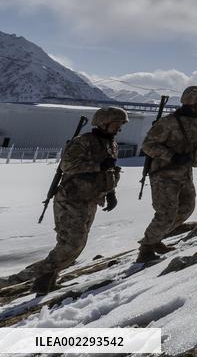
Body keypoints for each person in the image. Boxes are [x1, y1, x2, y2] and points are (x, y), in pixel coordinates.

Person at [0, 107, 128, 295]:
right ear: (104, 122)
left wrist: (111, 193)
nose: (119, 128)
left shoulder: (111, 143)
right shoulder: (83, 141)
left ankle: (46, 278)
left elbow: (109, 171)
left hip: (90, 200)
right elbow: (67, 165)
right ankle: (23, 279)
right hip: (71, 199)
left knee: (77, 245)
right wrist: (98, 165)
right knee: (71, 244)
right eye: (117, 124)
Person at [137, 86, 197, 263]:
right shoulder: (169, 122)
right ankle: (146, 248)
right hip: (164, 175)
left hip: (185, 173)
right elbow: (148, 145)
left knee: (187, 208)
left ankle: (157, 238)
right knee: (166, 213)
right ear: (192, 102)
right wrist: (172, 156)